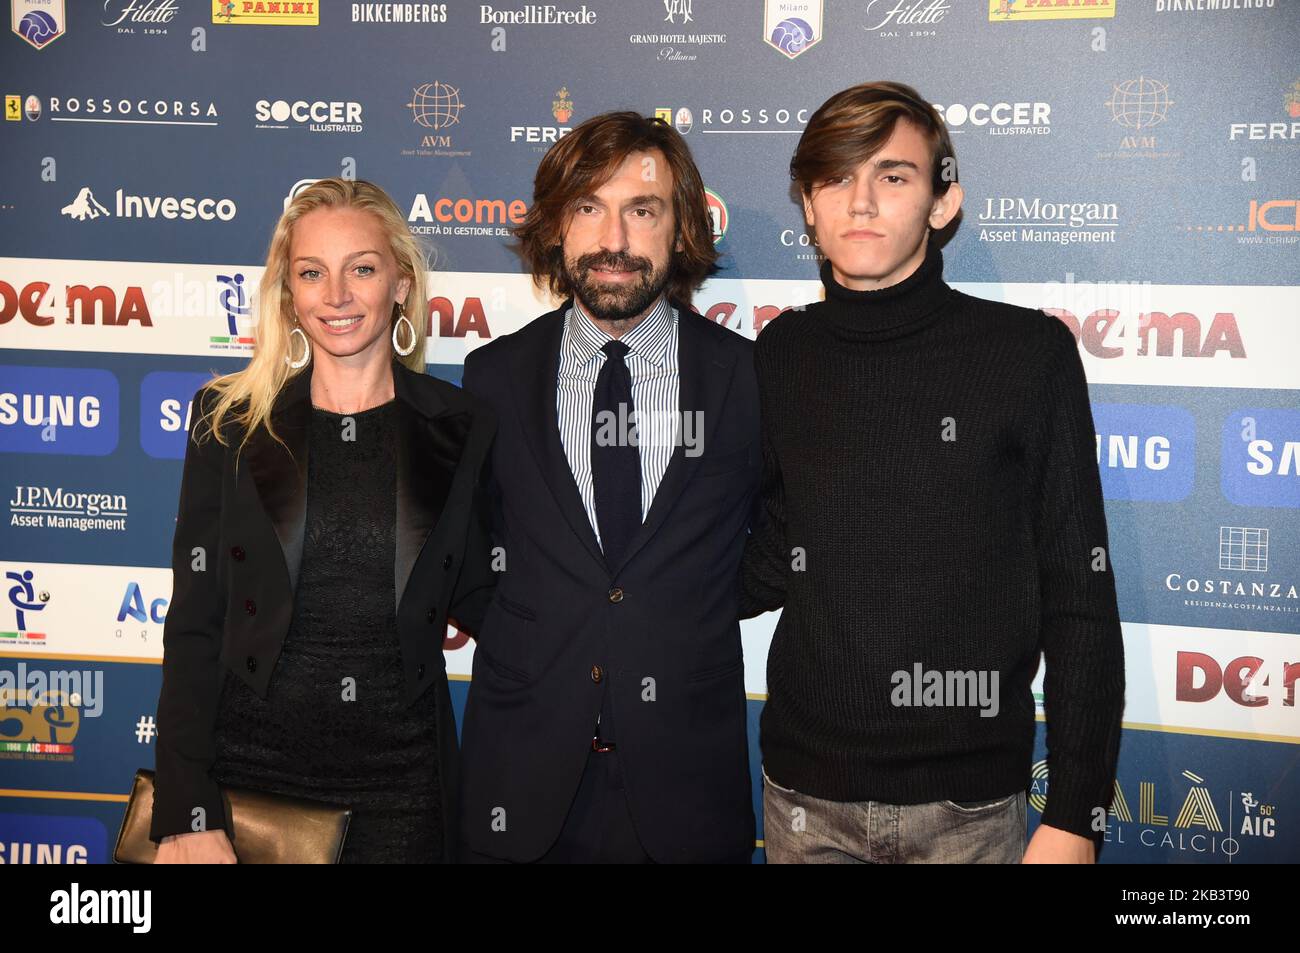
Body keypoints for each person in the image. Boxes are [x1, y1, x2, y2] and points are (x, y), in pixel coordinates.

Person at [742, 82, 1125, 864]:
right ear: (808, 208)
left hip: (970, 811)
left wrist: (1076, 813)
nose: (861, 202)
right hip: (801, 800)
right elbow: (775, 550)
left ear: (943, 202)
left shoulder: (1026, 356)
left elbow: (1080, 596)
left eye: (893, 176)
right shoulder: (780, 355)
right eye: (835, 179)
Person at [150, 178, 495, 863]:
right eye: (312, 273)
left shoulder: (462, 427)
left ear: (400, 282)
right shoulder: (231, 424)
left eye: (361, 268)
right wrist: (188, 805)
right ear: (290, 294)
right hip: (250, 779)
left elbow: (492, 595)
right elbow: (195, 623)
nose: (336, 295)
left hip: (403, 787)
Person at [455, 112, 760, 863]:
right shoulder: (493, 379)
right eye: (589, 208)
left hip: (686, 788)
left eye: (642, 210)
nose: (614, 239)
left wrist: (687, 608)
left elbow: (789, 535)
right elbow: (467, 556)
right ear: (557, 228)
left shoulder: (746, 378)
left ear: (680, 230)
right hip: (520, 784)